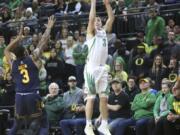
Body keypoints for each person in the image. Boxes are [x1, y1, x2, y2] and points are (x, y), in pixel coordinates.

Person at [5, 16, 55, 135]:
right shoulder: (33, 59)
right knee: (43, 121)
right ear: (26, 52)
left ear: (15, 55)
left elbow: (6, 50)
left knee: (16, 124)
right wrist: (48, 28)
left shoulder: (13, 63)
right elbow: (43, 41)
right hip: (33, 95)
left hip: (19, 97)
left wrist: (18, 38)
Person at [83, 0, 114, 134]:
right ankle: (88, 125)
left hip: (103, 68)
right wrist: (94, 3)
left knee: (104, 97)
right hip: (91, 69)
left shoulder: (104, 32)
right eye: (95, 21)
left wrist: (107, 4)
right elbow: (91, 18)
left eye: (99, 20)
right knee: (91, 97)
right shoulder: (90, 33)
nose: (96, 21)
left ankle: (104, 124)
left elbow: (112, 18)